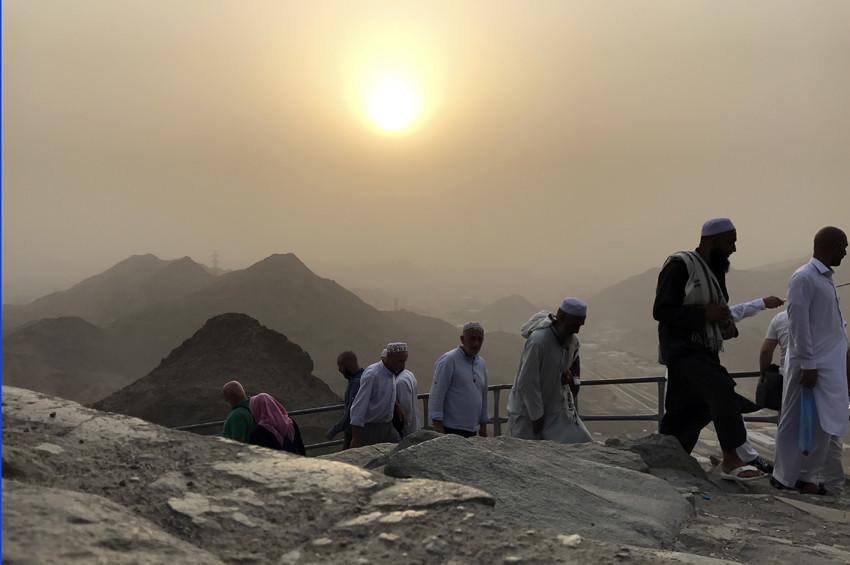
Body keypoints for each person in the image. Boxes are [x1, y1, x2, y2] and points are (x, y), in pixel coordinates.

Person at [653, 218, 765, 482]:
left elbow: (718, 311)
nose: (734, 249)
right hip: (682, 350)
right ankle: (732, 459)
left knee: (689, 409)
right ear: (712, 241)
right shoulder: (680, 266)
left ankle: (668, 457)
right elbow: (662, 311)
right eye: (730, 242)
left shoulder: (715, 270)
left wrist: (725, 326)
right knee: (721, 389)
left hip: (704, 350)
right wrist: (704, 315)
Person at [772, 226, 849, 494]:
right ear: (831, 245)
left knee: (822, 426)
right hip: (811, 365)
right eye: (843, 246)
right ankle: (783, 477)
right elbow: (799, 324)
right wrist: (808, 363)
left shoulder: (825, 279)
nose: (845, 252)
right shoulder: (804, 277)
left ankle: (807, 478)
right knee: (795, 421)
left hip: (828, 366)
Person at [505, 298, 593, 444]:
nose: (577, 330)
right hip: (528, 415)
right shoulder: (539, 341)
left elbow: (569, 363)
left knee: (579, 442)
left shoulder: (571, 341)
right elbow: (527, 382)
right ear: (561, 317)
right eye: (575, 324)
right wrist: (537, 416)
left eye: (580, 325)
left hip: (554, 410)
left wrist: (569, 377)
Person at [429, 321, 489, 438]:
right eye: (472, 339)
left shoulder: (481, 363)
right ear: (462, 339)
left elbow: (483, 395)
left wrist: (483, 426)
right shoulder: (448, 360)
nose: (476, 343)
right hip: (450, 428)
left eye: (479, 339)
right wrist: (437, 426)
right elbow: (437, 393)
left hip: (472, 429)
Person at [349, 342, 407, 448]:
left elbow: (385, 394)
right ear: (389, 357)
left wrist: (396, 405)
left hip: (388, 426)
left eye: (404, 361)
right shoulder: (372, 375)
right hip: (371, 429)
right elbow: (358, 405)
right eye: (400, 361)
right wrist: (356, 439)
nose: (403, 366)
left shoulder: (392, 372)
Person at [326, 351, 363, 449]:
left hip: (353, 434)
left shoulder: (356, 383)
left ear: (348, 365)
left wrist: (333, 431)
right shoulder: (362, 377)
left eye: (341, 366)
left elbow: (351, 412)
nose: (339, 370)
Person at [396, 364, 421, 438]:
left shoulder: (401, 382)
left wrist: (405, 431)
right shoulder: (408, 374)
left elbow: (406, 409)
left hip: (408, 431)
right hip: (414, 426)